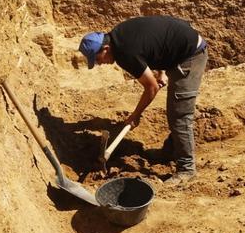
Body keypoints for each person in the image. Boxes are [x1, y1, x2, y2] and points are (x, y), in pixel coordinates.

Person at [78, 15, 208, 185]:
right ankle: (171, 152)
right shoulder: (119, 35)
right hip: (178, 50)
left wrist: (136, 115)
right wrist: (161, 71)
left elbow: (151, 87)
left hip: (191, 55)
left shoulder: (125, 53)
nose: (99, 64)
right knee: (175, 111)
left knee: (180, 114)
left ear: (105, 49)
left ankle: (187, 168)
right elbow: (155, 43)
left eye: (97, 59)